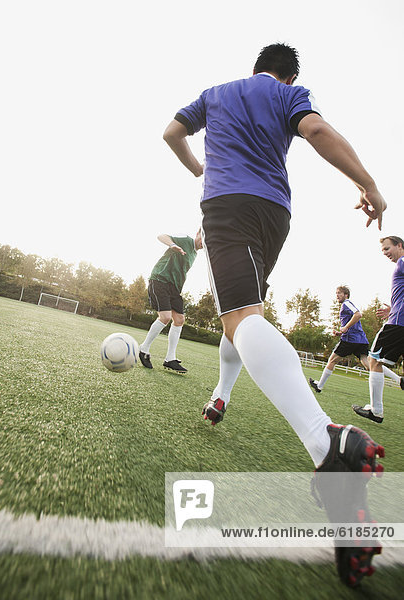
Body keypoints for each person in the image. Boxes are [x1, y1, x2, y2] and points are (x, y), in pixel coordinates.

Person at [163, 43, 386, 586]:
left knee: (239, 317)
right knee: (242, 317)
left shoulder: (217, 93)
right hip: (275, 212)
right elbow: (314, 131)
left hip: (227, 204)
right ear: (289, 75)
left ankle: (326, 442)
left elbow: (171, 132)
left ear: (258, 67)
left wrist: (200, 168)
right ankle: (223, 392)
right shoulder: (288, 94)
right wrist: (366, 183)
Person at [309, 286, 402, 393]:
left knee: (332, 360)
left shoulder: (346, 303)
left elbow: (358, 314)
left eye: (339, 293)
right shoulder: (346, 305)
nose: (337, 295)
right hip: (360, 340)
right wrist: (341, 331)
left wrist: (346, 328)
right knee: (370, 365)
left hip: (350, 340)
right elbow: (353, 322)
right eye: (336, 293)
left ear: (346, 295)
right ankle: (399, 380)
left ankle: (319, 386)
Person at [353, 236, 404, 423]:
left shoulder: (402, 262)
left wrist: (397, 312)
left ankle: (376, 411)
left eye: (387, 248)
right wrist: (394, 308)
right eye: (383, 250)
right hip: (398, 317)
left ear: (399, 245)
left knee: (374, 359)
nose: (385, 253)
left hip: (397, 323)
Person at [138, 231, 202, 373]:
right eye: (205, 238)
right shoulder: (186, 241)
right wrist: (173, 245)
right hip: (160, 280)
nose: (206, 243)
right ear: (199, 233)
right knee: (165, 317)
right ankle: (143, 349)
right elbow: (161, 236)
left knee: (179, 320)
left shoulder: (195, 253)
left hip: (174, 288)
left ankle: (170, 359)